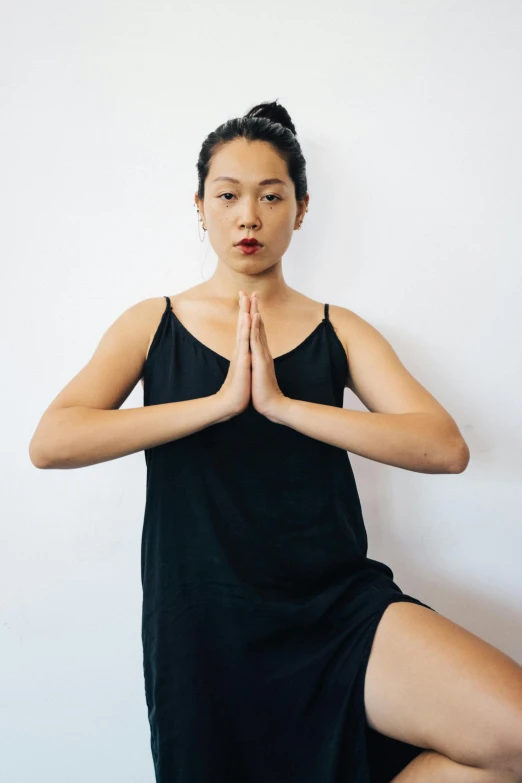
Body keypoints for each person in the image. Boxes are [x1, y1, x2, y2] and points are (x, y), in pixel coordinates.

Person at [29, 100, 522, 783]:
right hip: (206, 621)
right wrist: (217, 404)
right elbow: (53, 439)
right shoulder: (153, 322)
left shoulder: (339, 327)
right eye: (228, 195)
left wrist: (285, 407)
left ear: (302, 207)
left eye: (271, 195)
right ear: (200, 206)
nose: (249, 216)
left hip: (334, 603)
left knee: (511, 733)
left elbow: (443, 447)